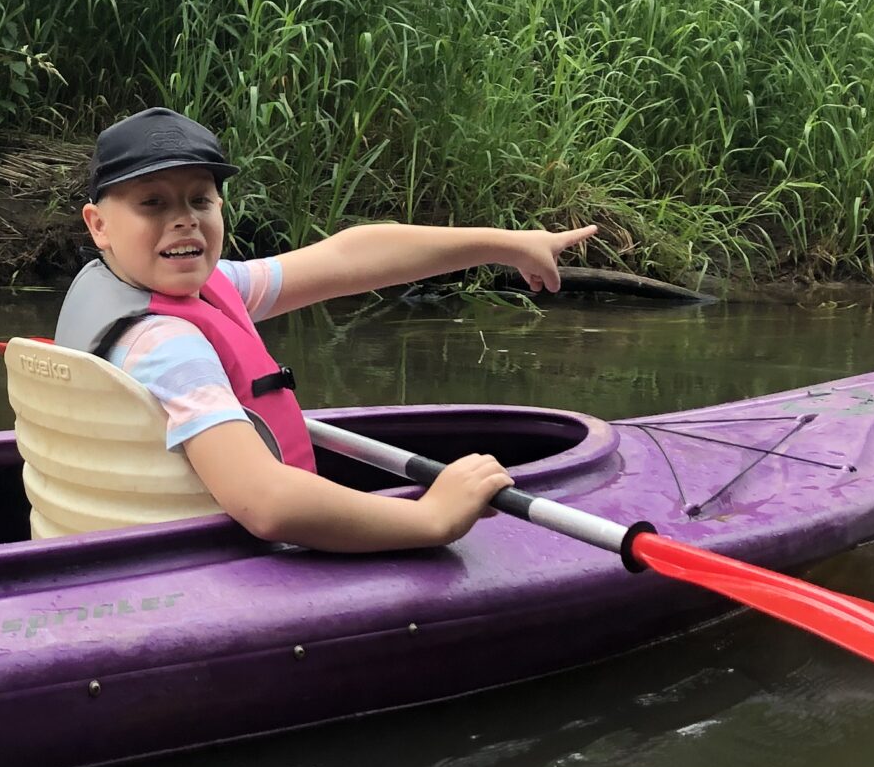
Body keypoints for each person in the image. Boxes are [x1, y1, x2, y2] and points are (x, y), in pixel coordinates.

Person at [49, 106, 598, 550]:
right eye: (153, 202)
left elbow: (347, 258)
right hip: (212, 562)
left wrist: (506, 243)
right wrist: (431, 518)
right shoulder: (166, 344)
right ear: (99, 225)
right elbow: (268, 502)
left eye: (200, 200)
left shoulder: (178, 286)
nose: (184, 218)